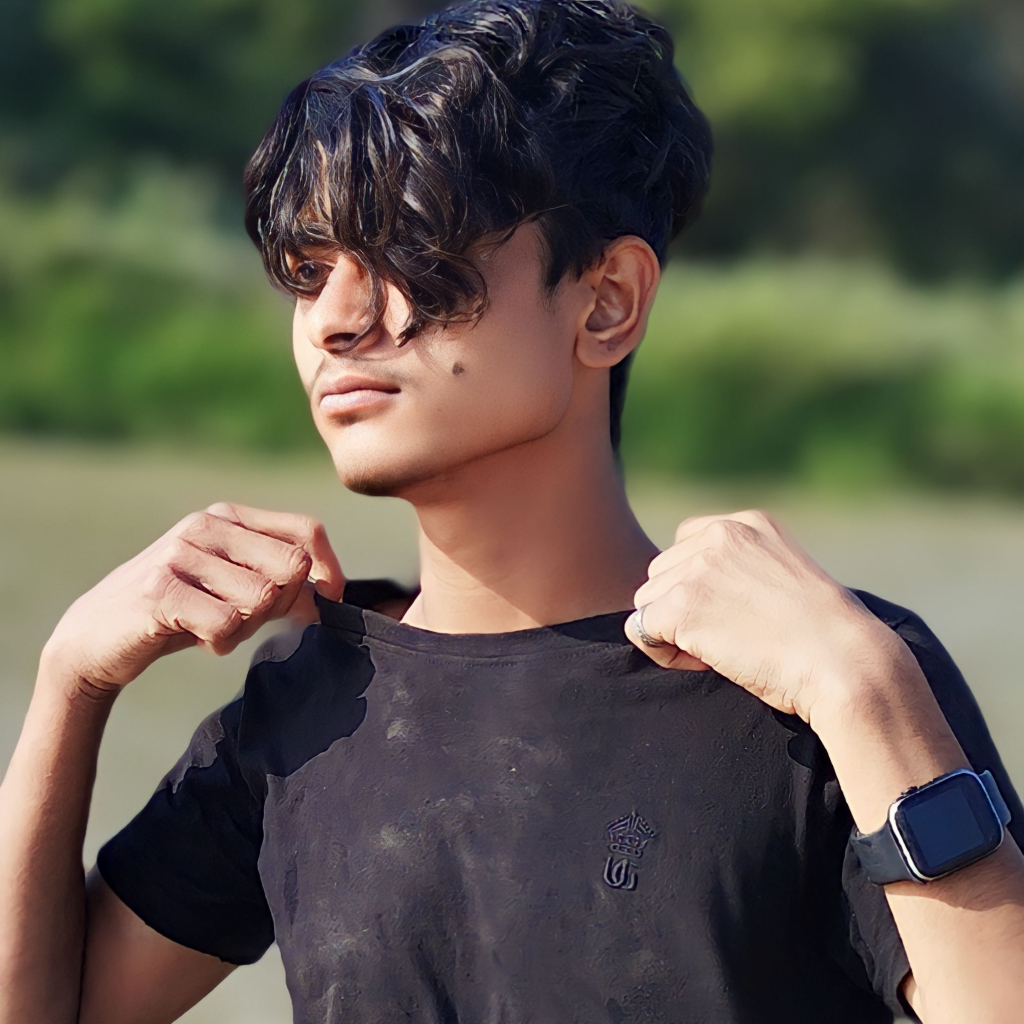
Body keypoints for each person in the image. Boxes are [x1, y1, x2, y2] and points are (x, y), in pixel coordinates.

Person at [1, 1, 1022, 1022]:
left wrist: (862, 688)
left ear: (606, 300)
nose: (340, 322)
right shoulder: (302, 708)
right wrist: (70, 677)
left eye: (413, 250)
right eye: (311, 273)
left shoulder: (821, 682)